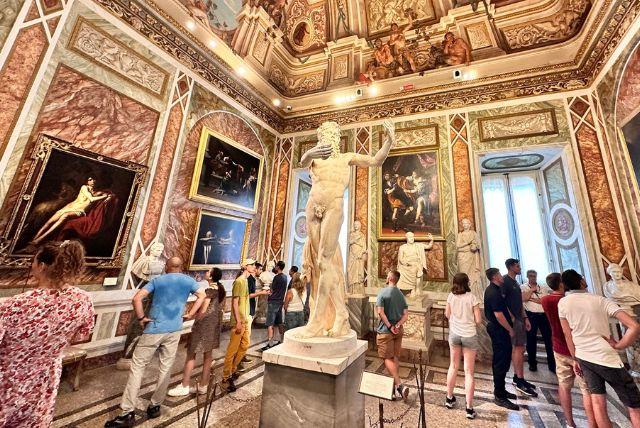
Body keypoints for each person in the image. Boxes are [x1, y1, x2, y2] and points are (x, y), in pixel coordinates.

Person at [0, 240, 95, 427]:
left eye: (34, 261)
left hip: (9, 380)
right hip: (45, 378)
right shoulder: (83, 300)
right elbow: (81, 336)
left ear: (42, 266)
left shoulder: (12, 305)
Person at [105, 257, 206, 427]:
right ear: (180, 267)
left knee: (138, 367)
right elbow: (202, 295)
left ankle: (127, 412)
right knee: (165, 368)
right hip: (174, 329)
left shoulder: (158, 281)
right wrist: (190, 314)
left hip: (154, 327)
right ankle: (155, 406)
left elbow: (137, 299)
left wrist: (141, 318)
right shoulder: (188, 281)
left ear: (167, 266)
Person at [559, 269, 640, 428]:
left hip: (583, 356)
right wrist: (619, 345)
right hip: (606, 358)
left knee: (597, 402)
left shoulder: (563, 303)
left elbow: (567, 334)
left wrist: (575, 359)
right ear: (582, 281)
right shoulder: (600, 300)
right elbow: (634, 326)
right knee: (634, 407)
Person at [540, 273, 595, 428]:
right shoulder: (567, 301)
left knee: (564, 385)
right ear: (561, 284)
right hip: (576, 349)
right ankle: (593, 424)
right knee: (586, 389)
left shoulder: (545, 300)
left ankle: (569, 423)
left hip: (558, 347)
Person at [168, 267, 226, 397]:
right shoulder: (221, 289)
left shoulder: (210, 290)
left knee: (191, 353)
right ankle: (203, 385)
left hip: (204, 326)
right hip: (214, 325)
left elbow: (204, 309)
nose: (206, 272)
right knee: (208, 355)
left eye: (208, 271)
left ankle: (184, 385)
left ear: (211, 276)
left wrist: (192, 316)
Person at [444, 273, 481, 420]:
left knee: (453, 366)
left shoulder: (451, 296)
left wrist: (456, 320)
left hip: (455, 334)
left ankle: (449, 398)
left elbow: (447, 314)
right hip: (469, 334)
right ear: (467, 282)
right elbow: (478, 320)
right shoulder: (472, 298)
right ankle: (469, 408)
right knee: (469, 372)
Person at [32, 177, 111, 244]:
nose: (92, 181)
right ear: (87, 181)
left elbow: (109, 195)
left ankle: (40, 239)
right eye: (90, 180)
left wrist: (108, 196)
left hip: (80, 211)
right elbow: (91, 199)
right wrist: (105, 197)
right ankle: (33, 240)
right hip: (69, 207)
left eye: (94, 180)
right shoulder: (84, 187)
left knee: (65, 216)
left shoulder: (99, 192)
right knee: (49, 222)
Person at [484, 267, 519, 410]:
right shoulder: (493, 292)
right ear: (494, 277)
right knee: (500, 361)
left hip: (500, 329)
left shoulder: (496, 290)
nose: (501, 275)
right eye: (498, 274)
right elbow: (498, 315)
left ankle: (501, 390)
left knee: (503, 361)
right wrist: (510, 329)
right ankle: (499, 395)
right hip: (499, 330)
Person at [503, 258, 537, 396]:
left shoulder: (515, 283)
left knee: (521, 348)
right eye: (517, 266)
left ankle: (518, 377)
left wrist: (525, 317)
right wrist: (512, 317)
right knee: (518, 348)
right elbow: (503, 302)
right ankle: (519, 380)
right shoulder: (505, 281)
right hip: (514, 320)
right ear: (511, 267)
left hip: (520, 318)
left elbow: (519, 302)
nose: (520, 268)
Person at [221, 259, 256, 393]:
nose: (254, 266)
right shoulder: (239, 281)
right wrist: (238, 321)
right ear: (245, 267)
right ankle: (226, 376)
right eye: (252, 264)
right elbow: (235, 303)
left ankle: (233, 368)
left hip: (245, 319)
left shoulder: (245, 281)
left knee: (245, 345)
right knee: (232, 349)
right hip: (239, 321)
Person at [376, 270, 409, 400]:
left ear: (390, 277)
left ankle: (399, 385)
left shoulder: (383, 292)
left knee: (387, 358)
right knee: (394, 357)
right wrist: (398, 325)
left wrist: (390, 326)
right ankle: (393, 390)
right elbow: (405, 315)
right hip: (398, 331)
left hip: (386, 331)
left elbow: (380, 312)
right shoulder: (401, 295)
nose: (386, 276)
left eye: (387, 275)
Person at [521, 269, 555, 373]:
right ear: (527, 276)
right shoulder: (523, 287)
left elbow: (543, 301)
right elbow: (523, 298)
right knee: (531, 340)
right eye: (531, 276)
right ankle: (532, 364)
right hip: (531, 315)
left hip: (543, 315)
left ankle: (552, 364)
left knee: (549, 340)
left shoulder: (543, 287)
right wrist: (531, 290)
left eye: (534, 276)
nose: (533, 277)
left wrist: (531, 298)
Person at [261, 260, 287, 350]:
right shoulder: (285, 277)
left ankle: (270, 343)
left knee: (270, 323)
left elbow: (272, 289)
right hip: (280, 301)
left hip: (273, 302)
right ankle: (281, 340)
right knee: (279, 322)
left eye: (275, 266)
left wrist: (269, 293)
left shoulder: (276, 277)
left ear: (278, 267)